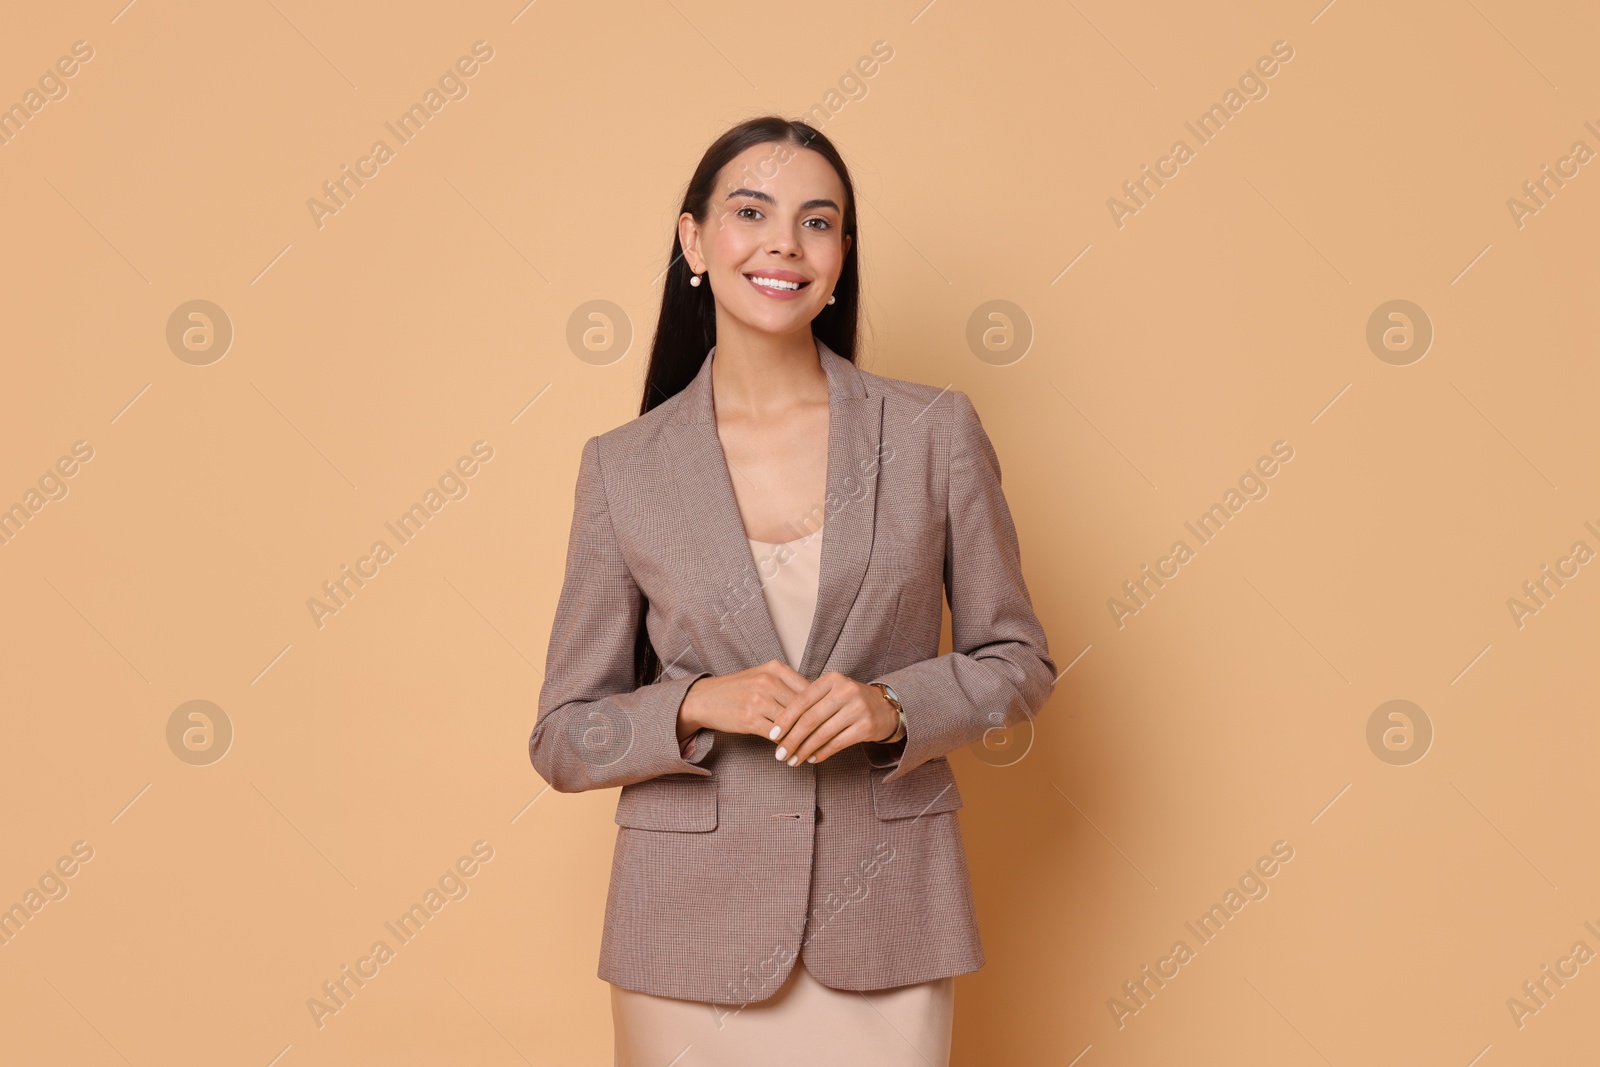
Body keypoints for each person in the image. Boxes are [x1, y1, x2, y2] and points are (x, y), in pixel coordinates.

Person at [529, 116, 1055, 1066]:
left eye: (819, 221)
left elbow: (1017, 660)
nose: (784, 242)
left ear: (841, 255)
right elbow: (565, 734)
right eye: (751, 211)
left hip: (888, 923)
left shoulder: (933, 431)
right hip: (684, 939)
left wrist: (892, 705)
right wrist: (691, 704)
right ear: (694, 240)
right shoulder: (623, 468)